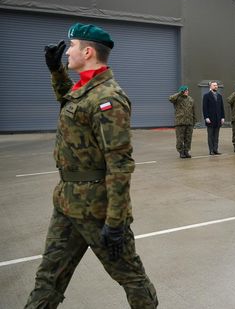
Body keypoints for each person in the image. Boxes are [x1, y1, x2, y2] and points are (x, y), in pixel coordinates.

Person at [25, 23, 158, 308]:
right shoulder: (84, 88)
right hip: (67, 202)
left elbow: (120, 163)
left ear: (88, 52)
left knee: (131, 277)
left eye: (72, 46)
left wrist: (116, 221)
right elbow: (71, 105)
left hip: (97, 210)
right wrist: (56, 71)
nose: (67, 51)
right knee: (48, 278)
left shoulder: (109, 97)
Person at [169, 85, 195, 158]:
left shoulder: (190, 99)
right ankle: (181, 152)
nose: (187, 92)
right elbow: (170, 98)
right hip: (180, 122)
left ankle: (186, 151)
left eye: (187, 90)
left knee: (188, 138)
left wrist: (194, 121)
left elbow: (193, 110)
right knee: (180, 138)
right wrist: (179, 93)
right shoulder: (177, 99)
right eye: (185, 91)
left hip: (189, 121)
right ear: (182, 91)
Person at [202, 81, 225, 155]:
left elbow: (222, 107)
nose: (216, 86)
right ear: (210, 86)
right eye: (214, 85)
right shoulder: (206, 96)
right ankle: (211, 150)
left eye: (216, 85)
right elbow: (204, 108)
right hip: (210, 119)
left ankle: (215, 149)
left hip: (218, 119)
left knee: (216, 136)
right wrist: (206, 117)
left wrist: (222, 117)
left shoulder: (219, 96)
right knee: (210, 135)